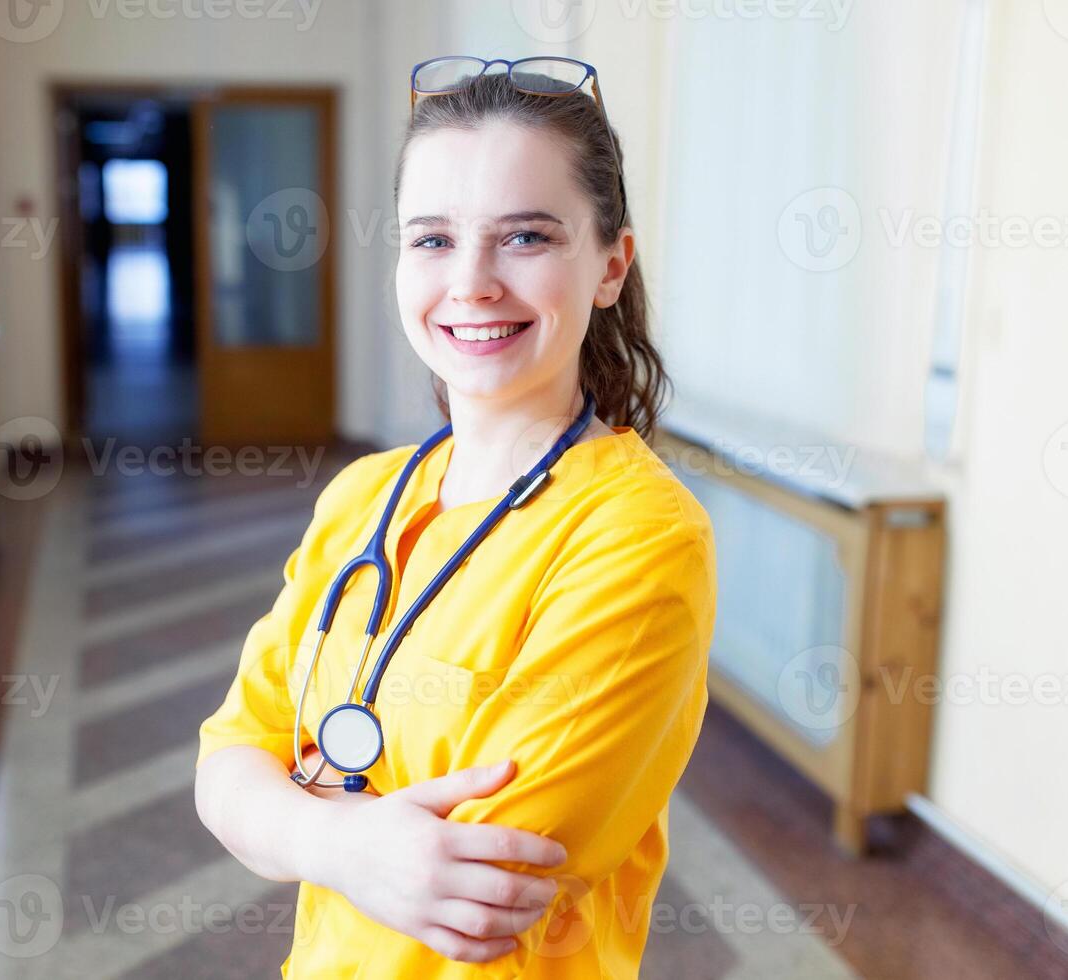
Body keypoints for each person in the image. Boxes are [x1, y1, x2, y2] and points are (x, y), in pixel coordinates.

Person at [194, 59, 717, 978]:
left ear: (609, 265)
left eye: (525, 237)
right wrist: (352, 847)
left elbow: (488, 884)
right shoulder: (364, 497)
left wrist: (297, 814)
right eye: (432, 240)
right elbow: (227, 759)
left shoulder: (639, 536)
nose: (471, 283)